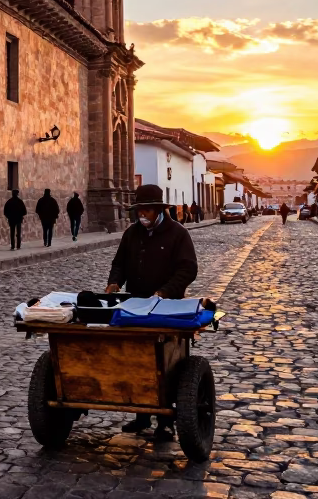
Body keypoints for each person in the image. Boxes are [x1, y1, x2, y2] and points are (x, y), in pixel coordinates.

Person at [104, 184, 199, 443]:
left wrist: (164, 292)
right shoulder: (131, 233)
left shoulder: (177, 234)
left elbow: (188, 270)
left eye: (146, 210)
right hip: (135, 306)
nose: (141, 215)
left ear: (158, 210)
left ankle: (166, 422)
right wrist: (115, 282)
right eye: (139, 211)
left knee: (165, 363)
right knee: (136, 360)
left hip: (166, 309)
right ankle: (140, 415)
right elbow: (119, 263)